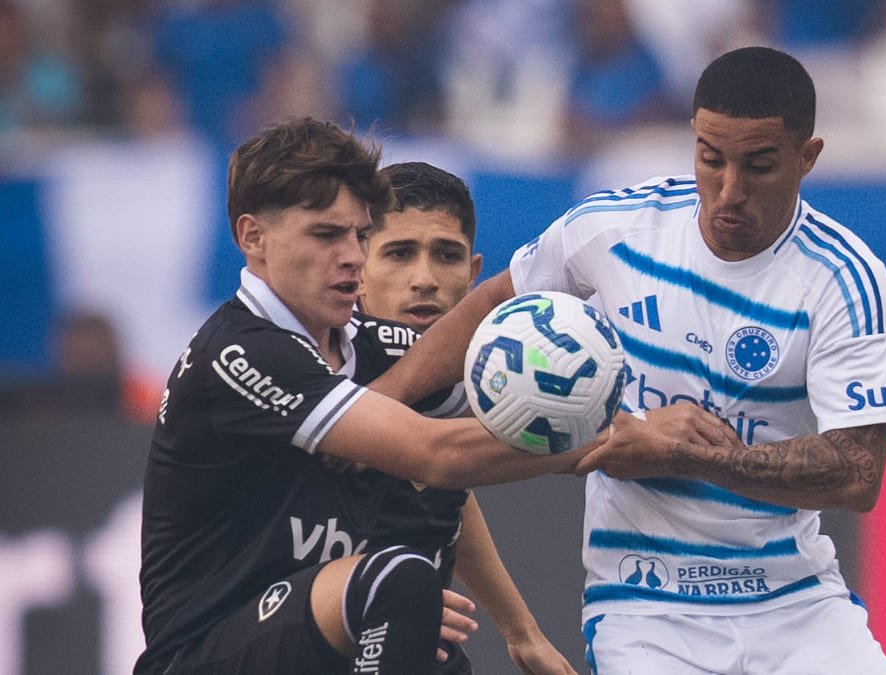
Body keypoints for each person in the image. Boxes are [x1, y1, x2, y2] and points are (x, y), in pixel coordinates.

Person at [374, 46, 886, 673]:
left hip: (797, 605)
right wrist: (374, 402)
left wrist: (688, 455)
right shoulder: (615, 228)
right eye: (710, 159)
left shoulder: (843, 277)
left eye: (758, 165)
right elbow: (496, 298)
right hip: (644, 605)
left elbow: (855, 473)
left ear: (807, 157)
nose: (728, 191)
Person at [135, 118, 728, 674]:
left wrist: (648, 430)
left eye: (360, 235)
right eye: (325, 235)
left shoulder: (377, 345)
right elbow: (439, 455)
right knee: (401, 582)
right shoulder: (241, 352)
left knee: (419, 615)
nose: (350, 256)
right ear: (253, 237)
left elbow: (484, 442)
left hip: (330, 627)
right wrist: (621, 436)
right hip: (208, 651)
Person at [351, 160, 574, 673]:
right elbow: (441, 457)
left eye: (446, 256)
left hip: (418, 640)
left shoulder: (460, 373)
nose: (424, 279)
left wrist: (522, 633)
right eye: (400, 253)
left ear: (474, 275)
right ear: (357, 268)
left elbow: (448, 489)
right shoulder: (326, 366)